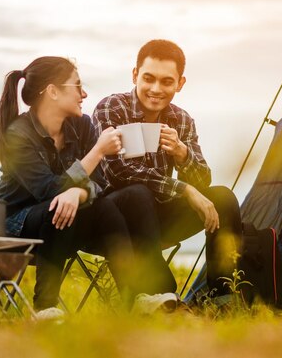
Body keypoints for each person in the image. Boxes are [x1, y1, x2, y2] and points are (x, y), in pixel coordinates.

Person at [0, 56, 176, 317]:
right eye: (77, 86)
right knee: (58, 206)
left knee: (124, 198)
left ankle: (136, 296)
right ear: (53, 91)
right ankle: (45, 307)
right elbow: (48, 191)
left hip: (69, 217)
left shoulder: (81, 125)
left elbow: (99, 182)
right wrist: (98, 151)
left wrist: (78, 191)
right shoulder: (18, 136)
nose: (84, 93)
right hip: (17, 225)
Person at [92, 40, 243, 299]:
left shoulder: (181, 119)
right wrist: (183, 189)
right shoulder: (112, 108)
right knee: (138, 193)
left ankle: (222, 296)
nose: (155, 89)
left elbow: (203, 180)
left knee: (222, 197)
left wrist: (182, 153)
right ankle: (161, 295)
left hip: (159, 215)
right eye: (148, 78)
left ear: (180, 83)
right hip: (116, 217)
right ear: (135, 75)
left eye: (166, 82)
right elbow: (118, 172)